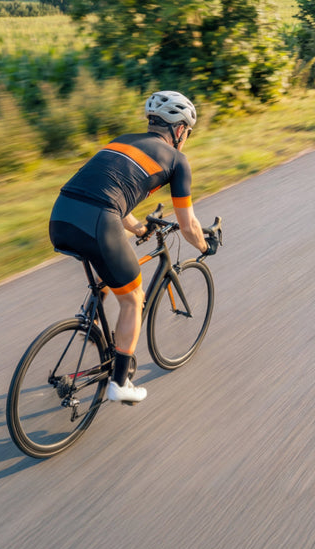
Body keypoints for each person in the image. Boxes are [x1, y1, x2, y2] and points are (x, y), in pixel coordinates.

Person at [48, 90, 218, 403]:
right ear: (179, 129)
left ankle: (93, 322)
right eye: (187, 133)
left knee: (109, 263)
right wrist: (205, 245)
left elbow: (107, 190)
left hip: (61, 216)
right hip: (99, 221)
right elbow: (188, 225)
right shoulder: (177, 161)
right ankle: (120, 383)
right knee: (133, 298)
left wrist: (138, 227)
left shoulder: (122, 141)